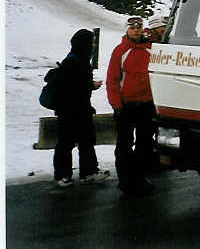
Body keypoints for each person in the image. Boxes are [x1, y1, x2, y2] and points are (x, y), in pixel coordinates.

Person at [53, 29, 110, 187]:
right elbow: (70, 88)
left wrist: (90, 86)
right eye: (91, 41)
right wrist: (90, 85)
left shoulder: (80, 59)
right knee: (67, 142)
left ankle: (88, 172)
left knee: (85, 141)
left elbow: (78, 85)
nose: (93, 45)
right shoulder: (73, 61)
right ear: (84, 43)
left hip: (79, 109)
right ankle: (63, 175)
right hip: (71, 111)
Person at [106, 16, 154, 195]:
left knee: (145, 144)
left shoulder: (150, 49)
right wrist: (117, 106)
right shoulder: (120, 51)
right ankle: (125, 180)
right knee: (125, 144)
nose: (136, 30)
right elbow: (112, 80)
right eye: (132, 27)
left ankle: (140, 177)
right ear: (126, 30)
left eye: (139, 27)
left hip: (147, 104)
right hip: (126, 105)